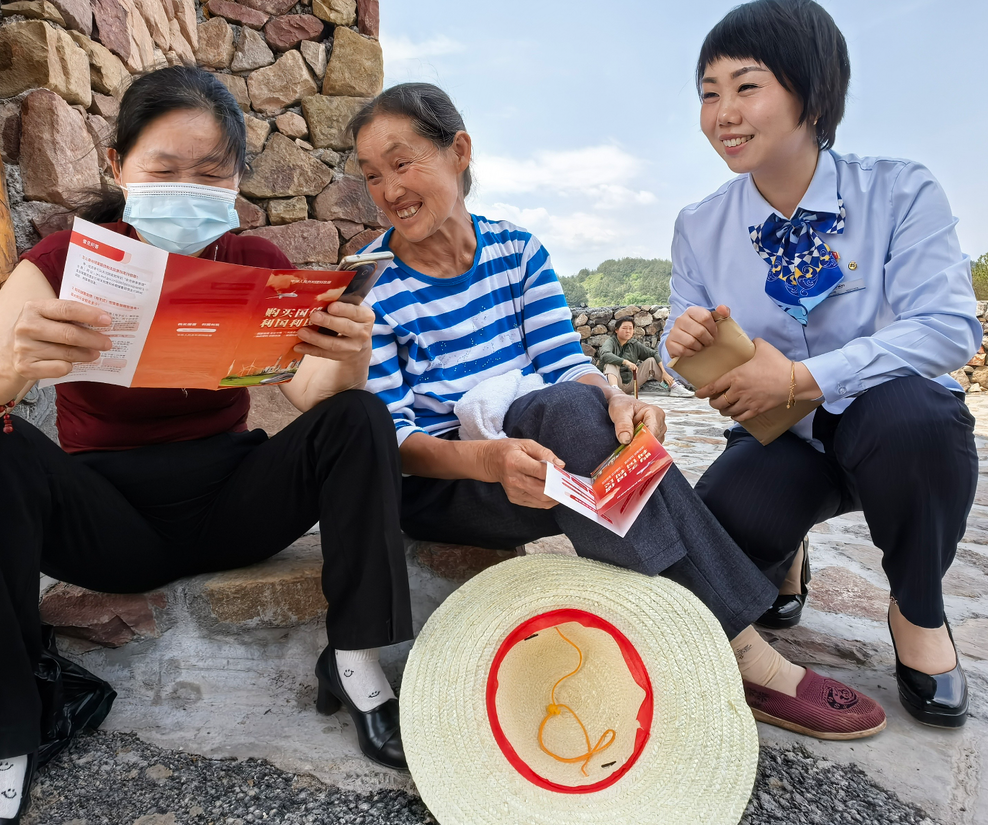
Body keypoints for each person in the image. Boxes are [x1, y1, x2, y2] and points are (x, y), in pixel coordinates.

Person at [0, 66, 412, 825]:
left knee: (363, 417)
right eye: (167, 166)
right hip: (111, 515)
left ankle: (359, 665)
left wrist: (346, 354)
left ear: (237, 181)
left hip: (230, 492)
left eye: (213, 171)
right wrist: (5, 366)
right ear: (117, 161)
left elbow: (312, 404)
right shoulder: (65, 261)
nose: (192, 189)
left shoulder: (253, 260)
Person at [351, 82, 886, 750]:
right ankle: (743, 652)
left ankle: (701, 640)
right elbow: (393, 439)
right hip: (452, 484)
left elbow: (566, 363)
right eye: (371, 175)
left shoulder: (516, 252)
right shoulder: (371, 284)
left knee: (586, 412)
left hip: (547, 458)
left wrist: (617, 400)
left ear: (458, 152)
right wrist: (487, 459)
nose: (388, 188)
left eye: (402, 163)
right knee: (574, 419)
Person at [663, 0, 980, 731]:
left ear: (813, 93)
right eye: (708, 95)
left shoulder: (900, 191)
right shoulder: (701, 225)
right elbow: (682, 350)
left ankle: (919, 610)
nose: (723, 114)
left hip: (888, 428)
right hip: (781, 440)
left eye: (747, 86)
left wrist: (807, 378)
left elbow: (949, 328)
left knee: (917, 418)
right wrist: (679, 349)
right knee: (722, 561)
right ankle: (787, 554)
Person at [599, 316, 692, 397]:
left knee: (651, 360)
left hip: (631, 383)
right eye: (624, 328)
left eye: (630, 328)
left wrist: (664, 372)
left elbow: (654, 354)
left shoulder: (634, 344)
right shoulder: (610, 342)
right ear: (616, 330)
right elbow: (605, 355)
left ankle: (674, 387)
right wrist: (626, 362)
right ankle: (614, 391)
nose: (628, 331)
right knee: (611, 363)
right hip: (612, 383)